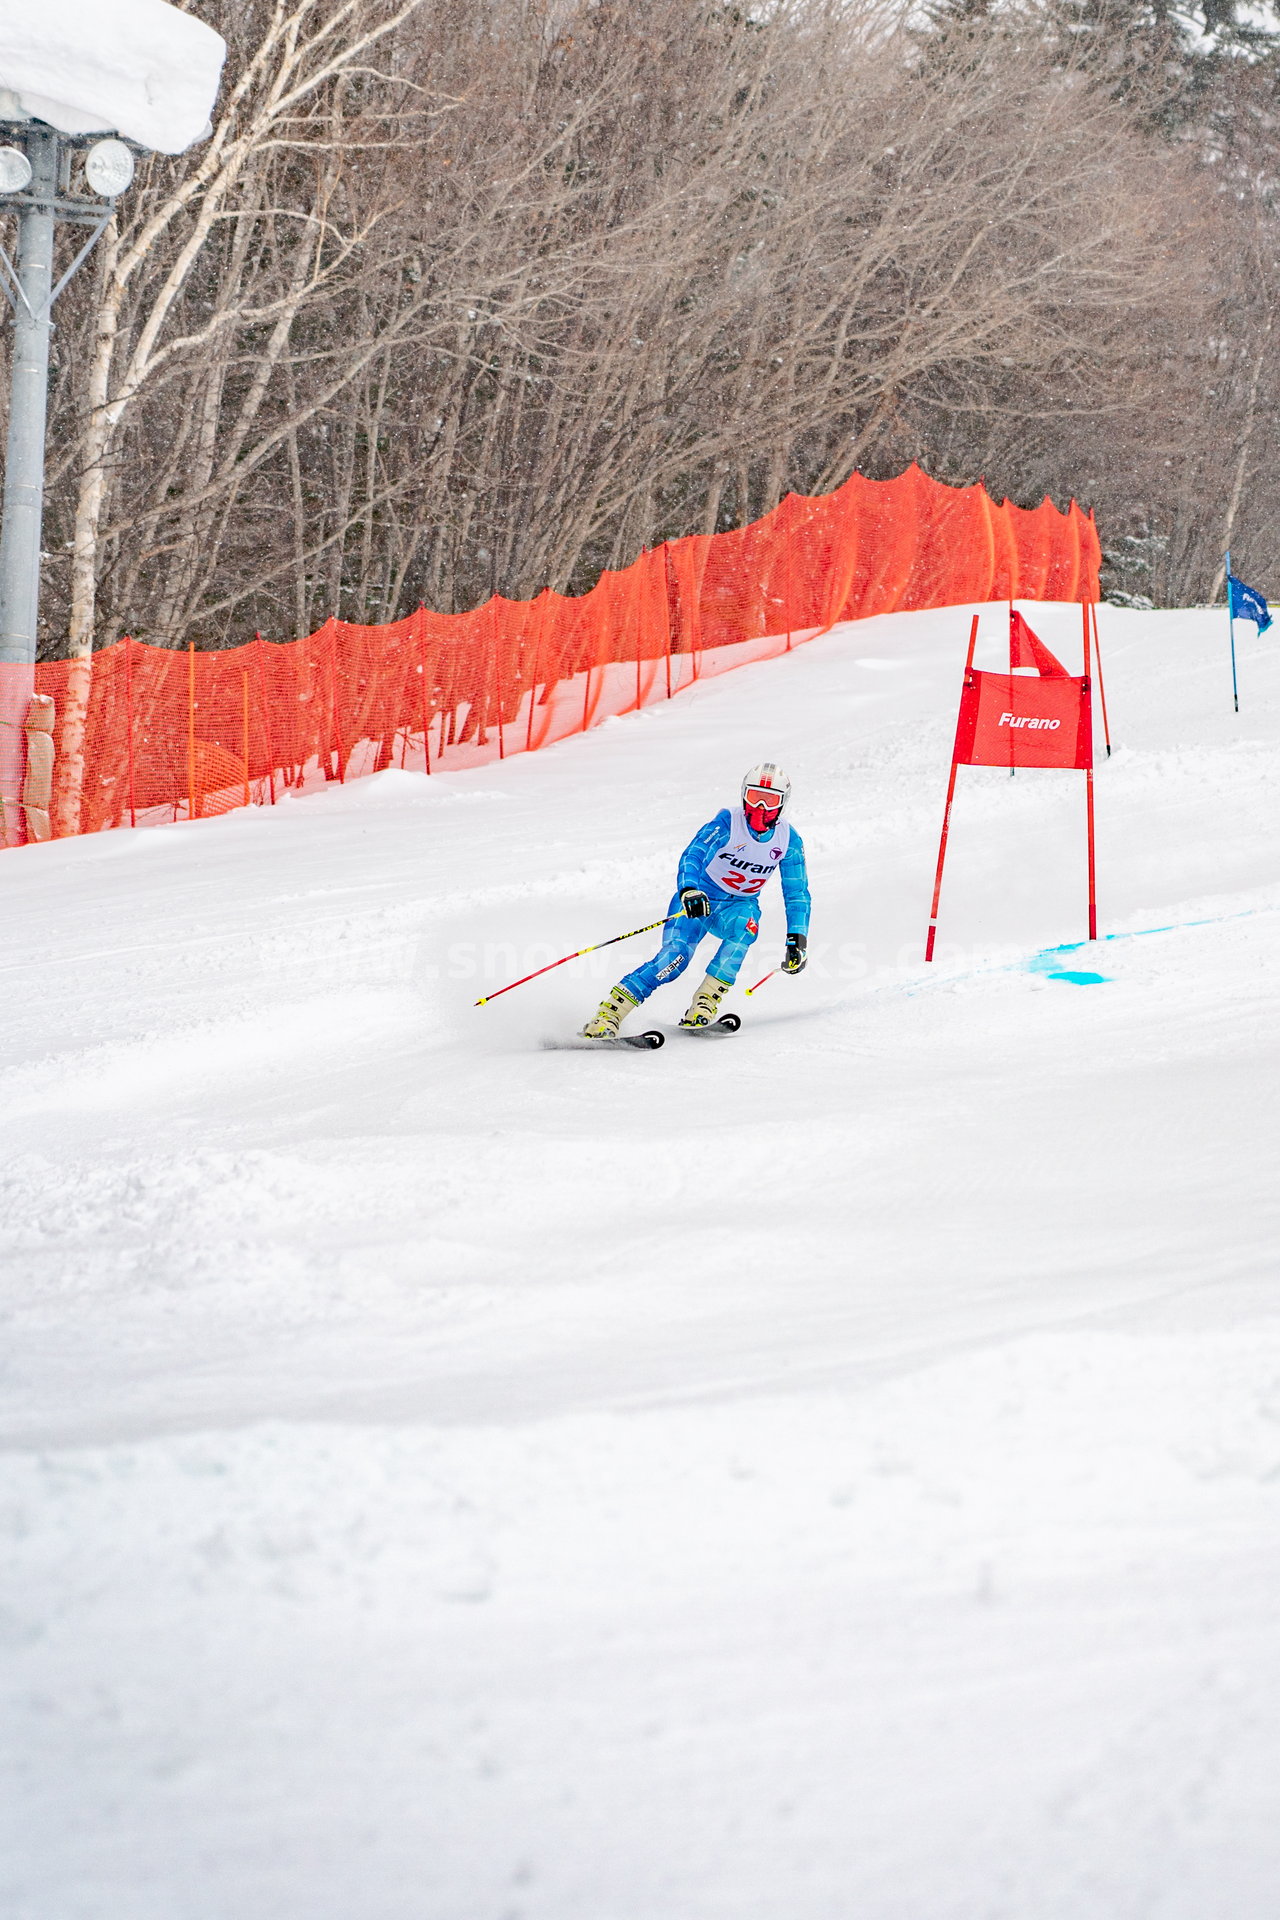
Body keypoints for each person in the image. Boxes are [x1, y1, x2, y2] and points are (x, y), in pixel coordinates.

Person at [582, 762, 811, 1038]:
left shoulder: (788, 840)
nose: (760, 807)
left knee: (746, 927)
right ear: (743, 795)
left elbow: (797, 894)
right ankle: (608, 1015)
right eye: (754, 797)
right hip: (699, 900)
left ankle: (704, 1003)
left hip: (738, 906)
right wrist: (689, 889)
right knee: (674, 960)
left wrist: (797, 937)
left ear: (783, 803)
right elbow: (693, 854)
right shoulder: (727, 823)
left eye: (770, 799)